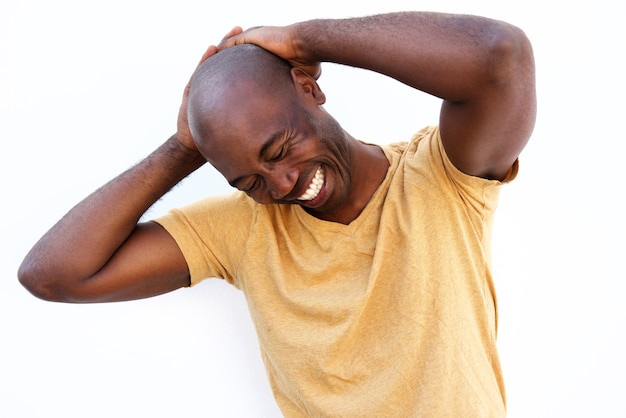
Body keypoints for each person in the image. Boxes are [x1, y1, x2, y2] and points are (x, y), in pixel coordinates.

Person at [18, 11, 536, 417]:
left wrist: (304, 39)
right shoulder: (241, 227)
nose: (284, 183)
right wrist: (184, 147)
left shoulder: (442, 178)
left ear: (308, 88)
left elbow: (500, 57)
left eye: (279, 149)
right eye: (250, 181)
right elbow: (53, 274)